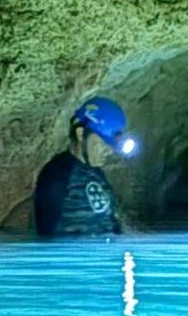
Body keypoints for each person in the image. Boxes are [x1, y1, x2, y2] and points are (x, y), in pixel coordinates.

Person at [33, 95, 138, 238]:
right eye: (103, 144)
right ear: (81, 134)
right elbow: (47, 234)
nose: (108, 152)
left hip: (104, 255)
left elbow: (116, 222)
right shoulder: (56, 175)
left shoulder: (97, 174)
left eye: (111, 146)